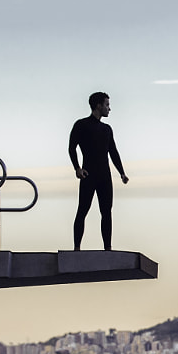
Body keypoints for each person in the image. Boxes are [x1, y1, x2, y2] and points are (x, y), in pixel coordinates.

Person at [69, 91, 129, 251]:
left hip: (104, 176)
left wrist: (122, 172)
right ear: (98, 105)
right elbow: (71, 148)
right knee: (82, 210)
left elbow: (113, 152)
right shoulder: (81, 125)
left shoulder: (107, 129)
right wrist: (77, 168)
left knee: (106, 212)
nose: (109, 108)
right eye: (107, 105)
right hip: (88, 174)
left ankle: (107, 248)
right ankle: (76, 248)